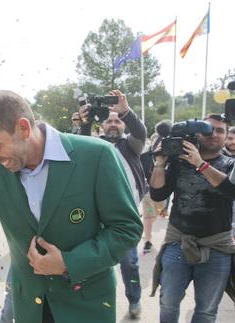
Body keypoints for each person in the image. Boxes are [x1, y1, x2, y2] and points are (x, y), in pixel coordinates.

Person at [0, 90, 142, 323]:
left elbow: (127, 229)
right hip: (30, 308)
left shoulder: (97, 155)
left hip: (85, 306)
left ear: (23, 128)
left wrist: (69, 263)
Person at [150, 114, 235, 322]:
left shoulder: (232, 165)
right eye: (209, 129)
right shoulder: (180, 162)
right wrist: (159, 163)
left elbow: (232, 191)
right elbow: (157, 195)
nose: (214, 134)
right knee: (168, 302)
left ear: (227, 136)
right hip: (178, 244)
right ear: (197, 133)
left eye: (220, 130)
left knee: (207, 310)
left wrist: (200, 163)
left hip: (217, 248)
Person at [79, 89, 146, 318]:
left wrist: (125, 110)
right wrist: (85, 122)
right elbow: (80, 143)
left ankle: (134, 299)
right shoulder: (95, 147)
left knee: (130, 264)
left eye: (118, 120)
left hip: (125, 218)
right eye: (109, 120)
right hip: (97, 218)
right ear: (103, 126)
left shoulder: (132, 146)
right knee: (96, 265)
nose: (114, 124)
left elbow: (140, 131)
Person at [140, 130, 170, 253]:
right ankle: (148, 240)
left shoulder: (169, 157)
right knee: (148, 217)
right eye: (156, 141)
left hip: (162, 195)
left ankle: (148, 227)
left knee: (155, 215)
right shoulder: (144, 156)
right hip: (147, 194)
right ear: (151, 142)